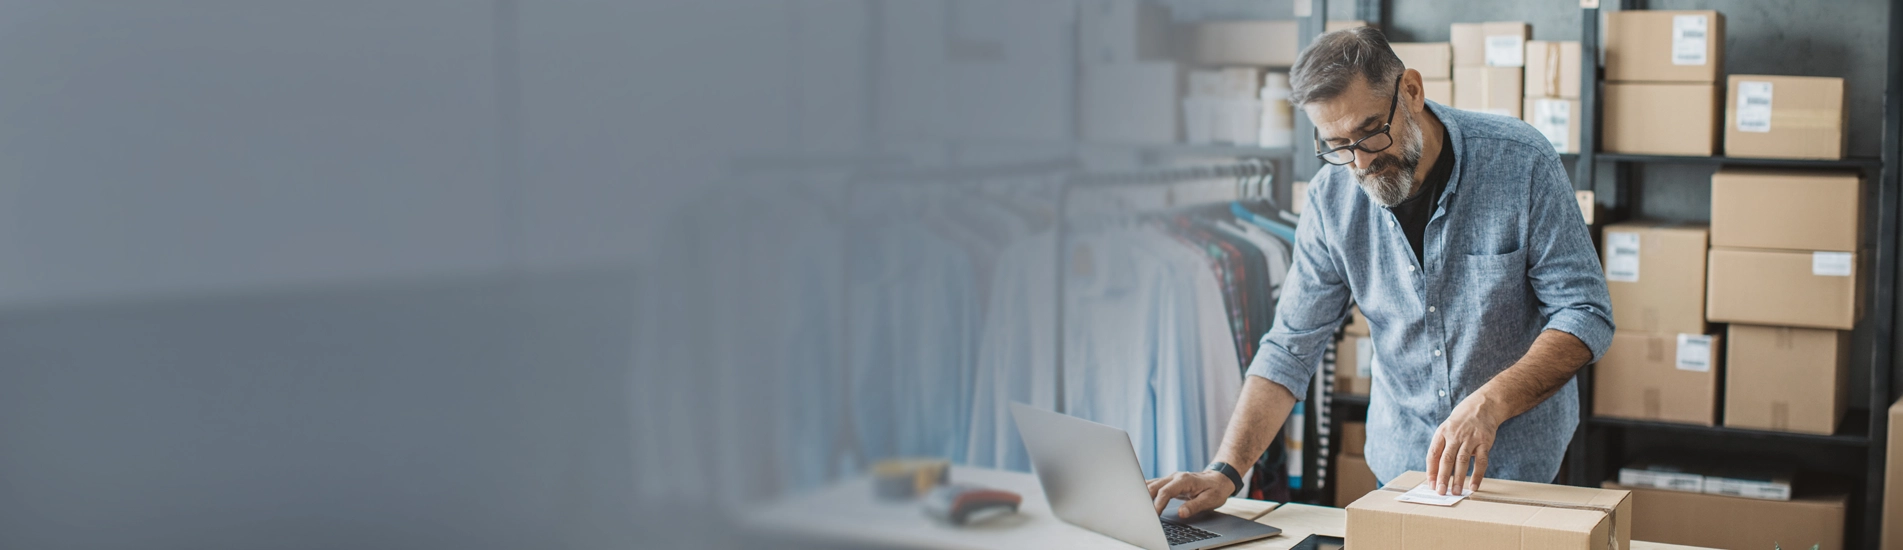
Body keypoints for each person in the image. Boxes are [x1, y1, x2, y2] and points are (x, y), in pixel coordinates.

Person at [1146, 27, 1613, 518]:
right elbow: (1289, 348)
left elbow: (1584, 313)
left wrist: (1491, 402)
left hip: (1520, 471)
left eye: (1370, 131)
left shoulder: (1521, 162)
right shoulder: (1331, 200)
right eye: (1337, 145)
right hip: (1402, 471)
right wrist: (1226, 470)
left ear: (1411, 90)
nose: (1362, 161)